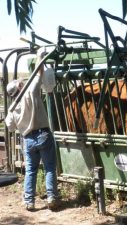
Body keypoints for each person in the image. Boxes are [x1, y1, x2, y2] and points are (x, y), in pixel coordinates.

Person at [5, 51, 58, 211]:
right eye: (20, 82)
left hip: (27, 139)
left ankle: (29, 201)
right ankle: (51, 197)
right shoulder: (30, 92)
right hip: (43, 134)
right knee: (49, 167)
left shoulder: (12, 108)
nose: (22, 82)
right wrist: (40, 56)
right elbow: (39, 72)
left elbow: (10, 127)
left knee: (31, 170)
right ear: (20, 87)